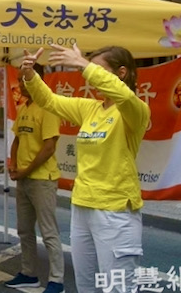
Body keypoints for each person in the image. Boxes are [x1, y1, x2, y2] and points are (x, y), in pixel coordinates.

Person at [21, 44, 150, 293]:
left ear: (121, 73)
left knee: (118, 288)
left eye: (98, 69)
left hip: (115, 212)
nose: (88, 74)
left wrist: (83, 64)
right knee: (86, 285)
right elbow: (49, 101)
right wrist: (30, 75)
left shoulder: (135, 110)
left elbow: (124, 96)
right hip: (83, 206)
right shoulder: (91, 109)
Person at [5, 64, 64, 293]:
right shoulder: (25, 107)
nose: (19, 84)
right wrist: (13, 164)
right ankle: (28, 273)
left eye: (23, 80)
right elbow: (18, 139)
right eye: (19, 80)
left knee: (49, 231)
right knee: (24, 229)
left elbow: (49, 147)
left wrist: (25, 170)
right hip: (24, 178)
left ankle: (56, 280)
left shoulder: (48, 106)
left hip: (42, 179)